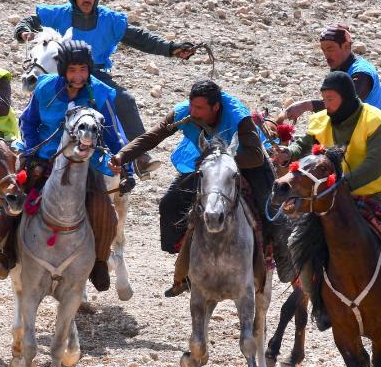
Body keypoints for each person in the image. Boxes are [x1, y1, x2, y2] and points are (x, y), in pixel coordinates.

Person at [109, 80, 294, 297]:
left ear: (216, 107)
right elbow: (152, 137)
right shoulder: (182, 113)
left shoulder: (238, 116)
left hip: (247, 164)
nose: (193, 112)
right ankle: (188, 267)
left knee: (271, 213)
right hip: (209, 165)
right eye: (191, 106)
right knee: (170, 205)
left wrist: (221, 158)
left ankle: (284, 262)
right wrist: (123, 156)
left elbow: (254, 155)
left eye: (199, 109)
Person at [14, 0, 198, 176]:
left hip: (96, 74)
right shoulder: (59, 14)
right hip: (61, 74)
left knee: (125, 100)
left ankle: (138, 157)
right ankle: (30, 151)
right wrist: (23, 32)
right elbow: (30, 21)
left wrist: (170, 48)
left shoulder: (109, 19)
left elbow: (139, 38)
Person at [278, 71, 381, 325]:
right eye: (323, 97)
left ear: (346, 97)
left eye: (330, 98)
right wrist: (287, 153)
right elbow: (303, 145)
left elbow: (374, 165)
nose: (326, 103)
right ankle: (319, 303)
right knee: (296, 244)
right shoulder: (321, 119)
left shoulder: (376, 121)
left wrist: (342, 186)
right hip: (329, 200)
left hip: (376, 193)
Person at [20, 39, 134, 291]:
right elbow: (28, 122)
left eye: (83, 69)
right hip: (46, 157)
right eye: (73, 70)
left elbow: (114, 134)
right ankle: (6, 253)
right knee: (15, 199)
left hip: (87, 161)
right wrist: (32, 151)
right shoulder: (45, 88)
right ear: (63, 70)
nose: (79, 76)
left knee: (104, 212)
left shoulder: (101, 92)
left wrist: (125, 165)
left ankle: (101, 261)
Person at [272, 23, 381, 157]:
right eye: (323, 50)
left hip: (376, 140)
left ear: (346, 46)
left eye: (330, 49)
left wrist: (307, 105)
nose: (326, 54)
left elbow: (345, 105)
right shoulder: (339, 70)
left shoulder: (362, 73)